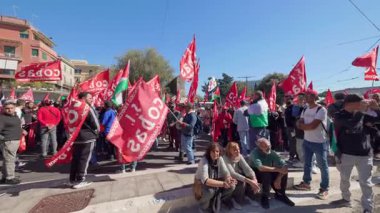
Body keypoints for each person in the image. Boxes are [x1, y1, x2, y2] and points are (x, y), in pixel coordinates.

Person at [331, 94, 379, 213]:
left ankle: (368, 208)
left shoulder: (364, 113)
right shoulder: (339, 115)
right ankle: (346, 198)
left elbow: (377, 120)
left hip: (365, 154)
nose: (365, 104)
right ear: (350, 104)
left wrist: (377, 109)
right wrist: (361, 112)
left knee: (366, 183)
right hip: (346, 154)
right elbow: (352, 124)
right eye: (361, 102)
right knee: (344, 179)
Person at [294, 89, 330, 200]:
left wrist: (302, 126)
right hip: (307, 141)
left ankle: (324, 189)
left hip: (319, 142)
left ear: (314, 97)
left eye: (308, 95)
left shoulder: (321, 109)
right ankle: (306, 183)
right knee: (307, 163)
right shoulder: (305, 109)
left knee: (322, 166)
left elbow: (312, 126)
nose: (305, 97)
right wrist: (302, 125)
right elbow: (299, 122)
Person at [250, 138, 295, 209]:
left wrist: (279, 178)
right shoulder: (255, 153)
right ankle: (265, 196)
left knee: (283, 172)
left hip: (269, 170)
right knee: (266, 174)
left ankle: (281, 194)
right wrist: (278, 169)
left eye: (268, 145)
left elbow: (284, 166)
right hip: (256, 173)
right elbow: (260, 168)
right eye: (264, 146)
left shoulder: (272, 152)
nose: (268, 148)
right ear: (259, 147)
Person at [69, 92, 100, 189]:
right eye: (90, 98)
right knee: (84, 159)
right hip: (87, 137)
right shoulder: (86, 107)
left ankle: (72, 179)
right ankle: (80, 179)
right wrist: (98, 131)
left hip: (75, 137)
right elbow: (95, 124)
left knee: (76, 159)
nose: (91, 100)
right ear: (83, 98)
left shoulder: (72, 107)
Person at [195, 143, 237, 212]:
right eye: (213, 151)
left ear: (219, 152)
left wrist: (229, 179)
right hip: (201, 183)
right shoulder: (204, 161)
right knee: (210, 192)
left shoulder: (220, 158)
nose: (215, 153)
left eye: (217, 151)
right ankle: (203, 206)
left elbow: (226, 172)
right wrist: (223, 184)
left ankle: (218, 200)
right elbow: (206, 180)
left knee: (232, 186)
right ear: (209, 152)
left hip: (215, 180)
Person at [223, 142, 260, 207]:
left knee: (250, 177)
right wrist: (249, 181)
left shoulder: (239, 156)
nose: (237, 151)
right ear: (229, 151)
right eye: (235, 150)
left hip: (239, 174)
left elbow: (247, 168)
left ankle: (248, 196)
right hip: (228, 177)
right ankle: (235, 199)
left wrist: (254, 179)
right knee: (242, 182)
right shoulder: (225, 158)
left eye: (238, 149)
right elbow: (232, 173)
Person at [0, 101, 24, 184]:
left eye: (11, 108)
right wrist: (3, 139)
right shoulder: (2, 118)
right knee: (10, 160)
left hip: (15, 140)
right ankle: (10, 178)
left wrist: (22, 130)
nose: (9, 110)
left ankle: (5, 177)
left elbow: (16, 126)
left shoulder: (15, 116)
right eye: (7, 108)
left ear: (14, 108)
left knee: (7, 159)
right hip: (8, 141)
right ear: (4, 109)